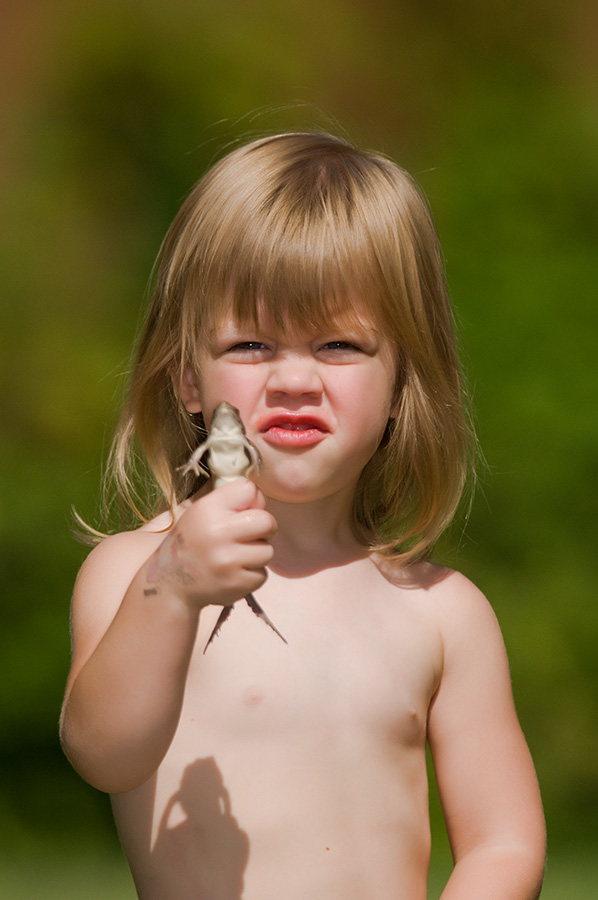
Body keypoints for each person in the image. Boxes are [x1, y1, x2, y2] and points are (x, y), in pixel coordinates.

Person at [60, 131, 546, 900]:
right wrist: (174, 586)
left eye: (339, 344)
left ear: (402, 382)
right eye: (252, 343)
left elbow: (505, 840)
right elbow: (103, 753)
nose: (294, 378)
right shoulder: (134, 576)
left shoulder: (443, 614)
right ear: (189, 379)